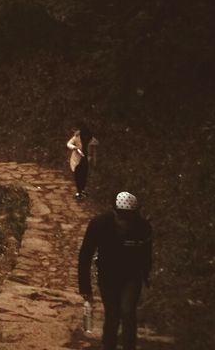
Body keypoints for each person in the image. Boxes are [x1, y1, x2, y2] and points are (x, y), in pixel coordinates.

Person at [78, 190, 153, 350]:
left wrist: (146, 278)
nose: (124, 223)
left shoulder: (143, 228)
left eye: (128, 219)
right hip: (108, 275)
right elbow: (85, 255)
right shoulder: (99, 224)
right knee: (112, 315)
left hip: (131, 276)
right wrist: (85, 287)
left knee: (128, 312)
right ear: (114, 213)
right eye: (121, 218)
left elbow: (146, 255)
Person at [67, 123, 98, 199]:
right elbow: (69, 144)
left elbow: (94, 152)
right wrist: (74, 148)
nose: (85, 137)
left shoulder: (92, 141)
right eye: (84, 135)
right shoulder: (76, 137)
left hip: (86, 160)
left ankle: (82, 190)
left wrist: (94, 161)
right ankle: (79, 191)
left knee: (84, 176)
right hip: (77, 159)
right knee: (77, 175)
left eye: (87, 135)